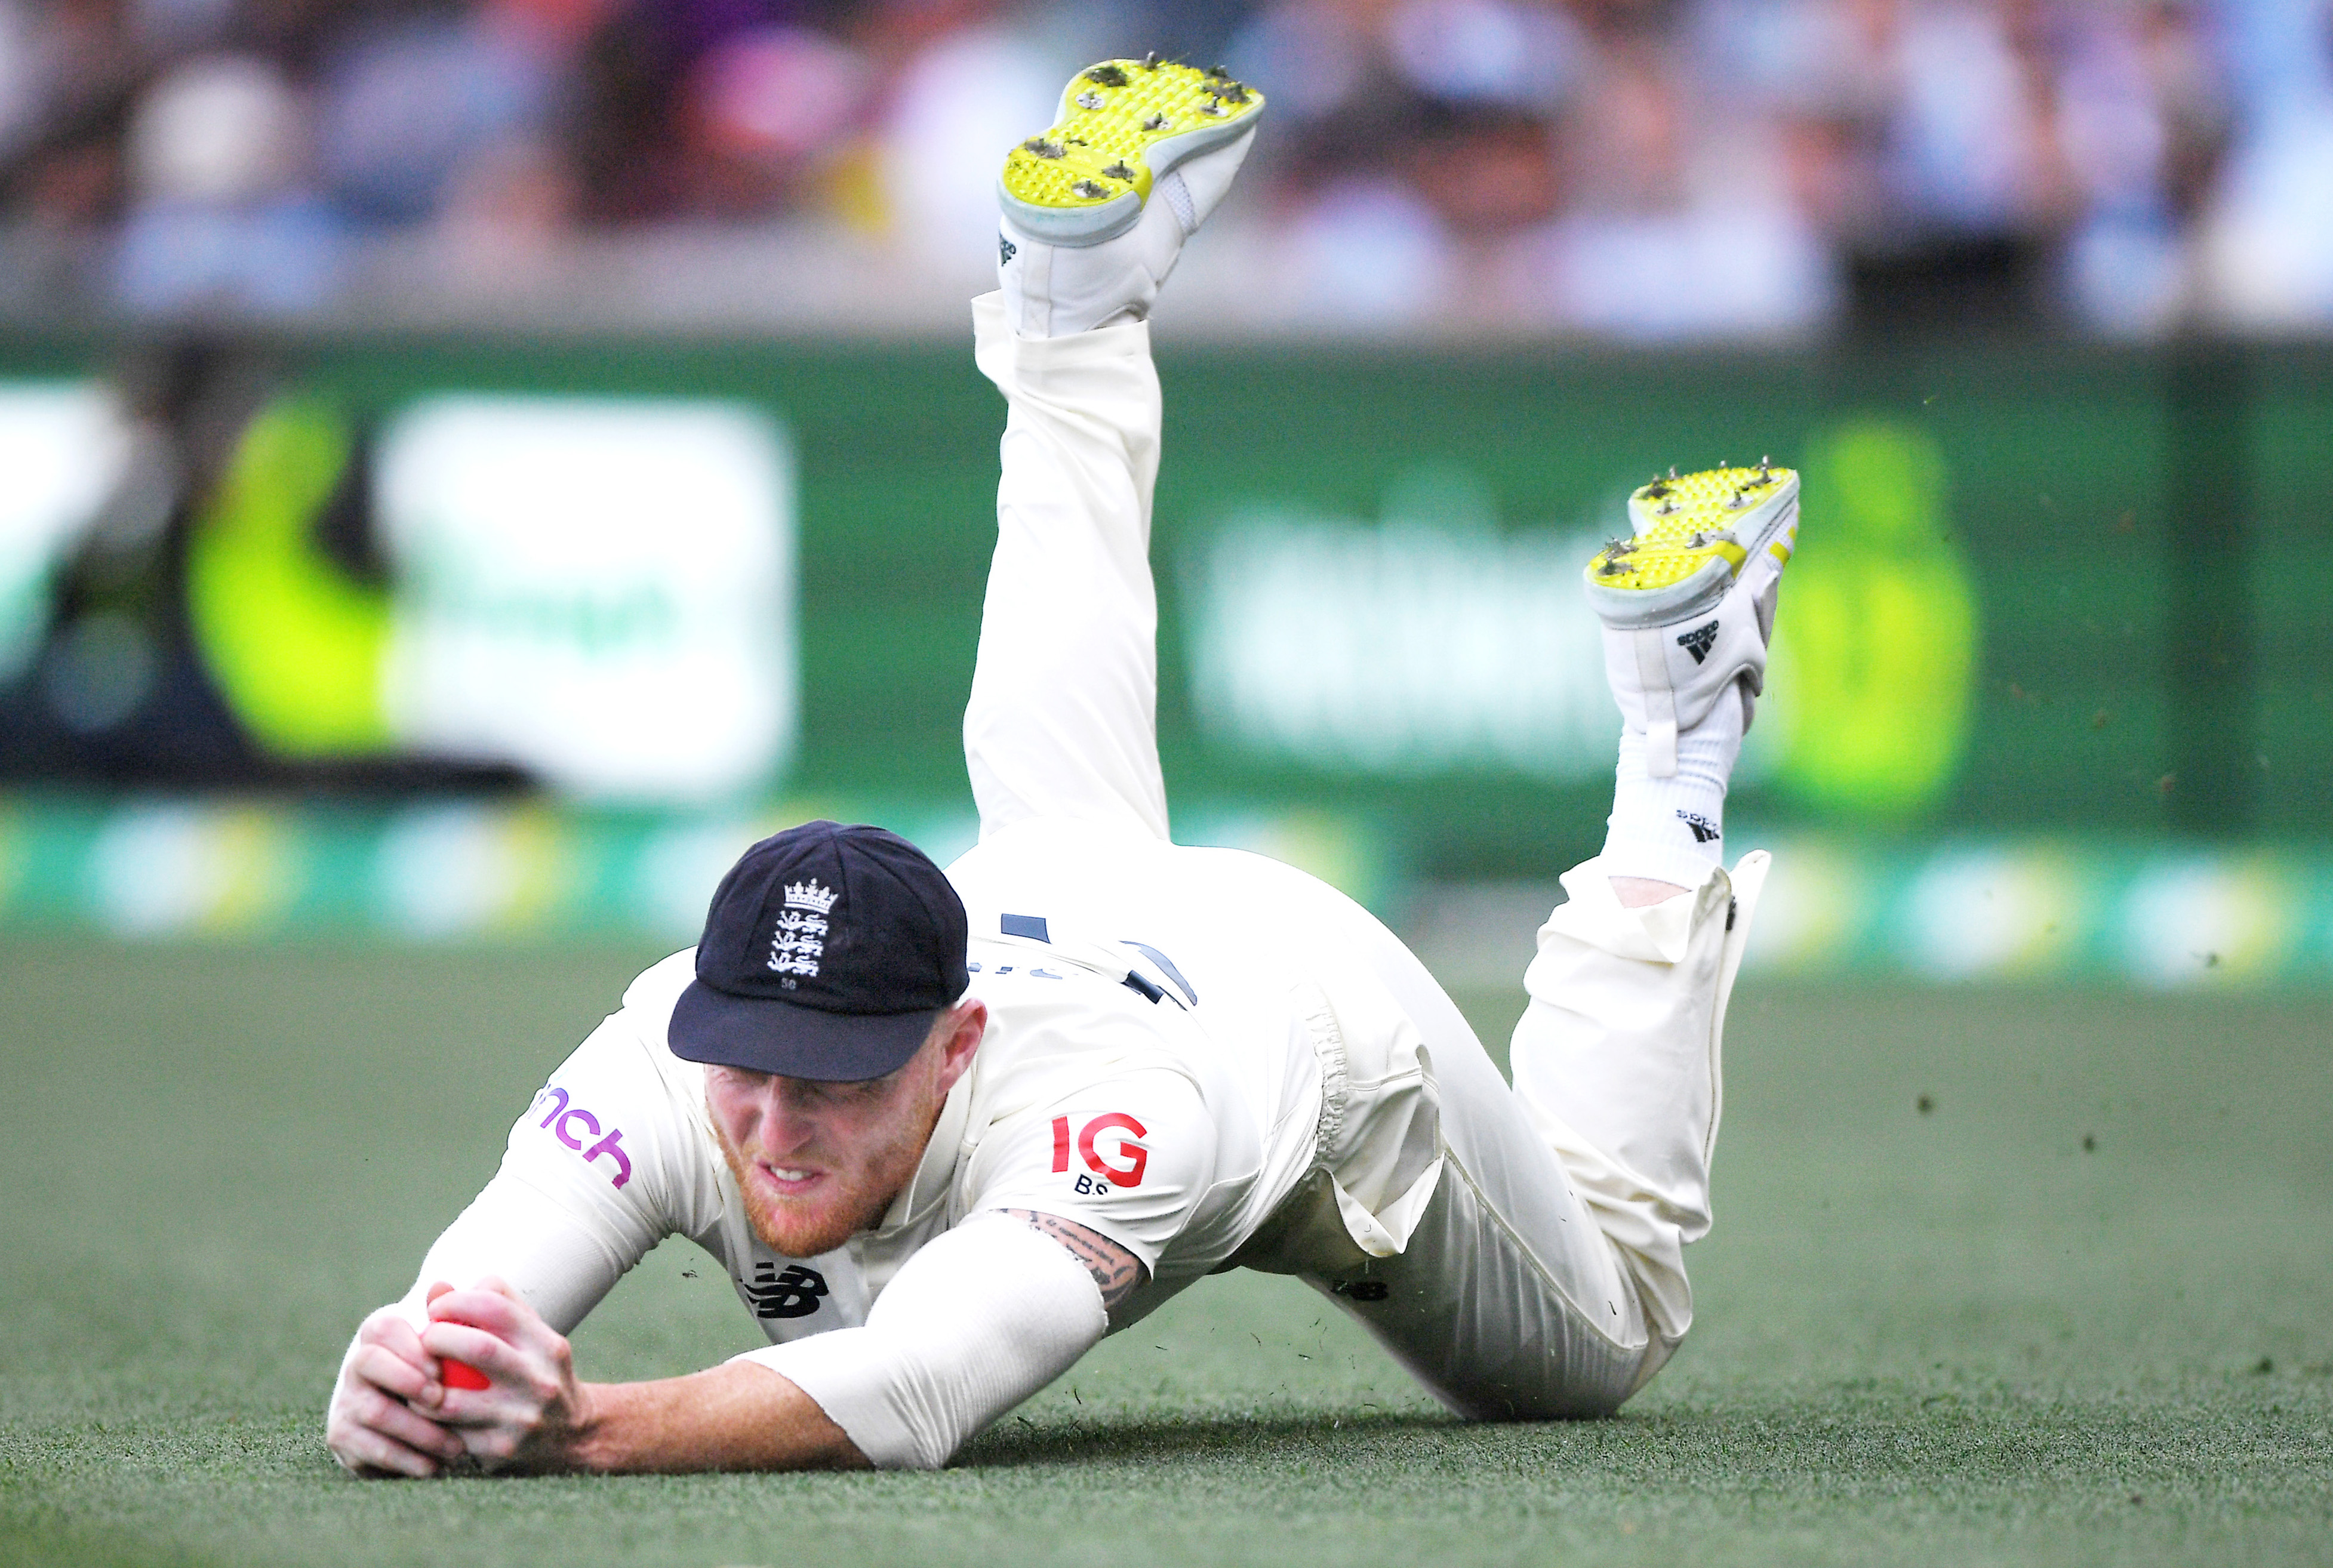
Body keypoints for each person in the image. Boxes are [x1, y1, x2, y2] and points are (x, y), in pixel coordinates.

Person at [323, 56, 1796, 1478]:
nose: (773, 1127)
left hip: (1290, 1012)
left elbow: (916, 1382)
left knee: (1601, 1339)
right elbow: (459, 1307)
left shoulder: (1121, 1114)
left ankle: (1675, 737)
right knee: (1047, 784)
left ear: (953, 1044)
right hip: (1066, 889)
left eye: (832, 1082)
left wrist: (580, 1430)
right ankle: (1074, 303)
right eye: (751, 1067)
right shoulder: (672, 1048)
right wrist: (408, 1374)